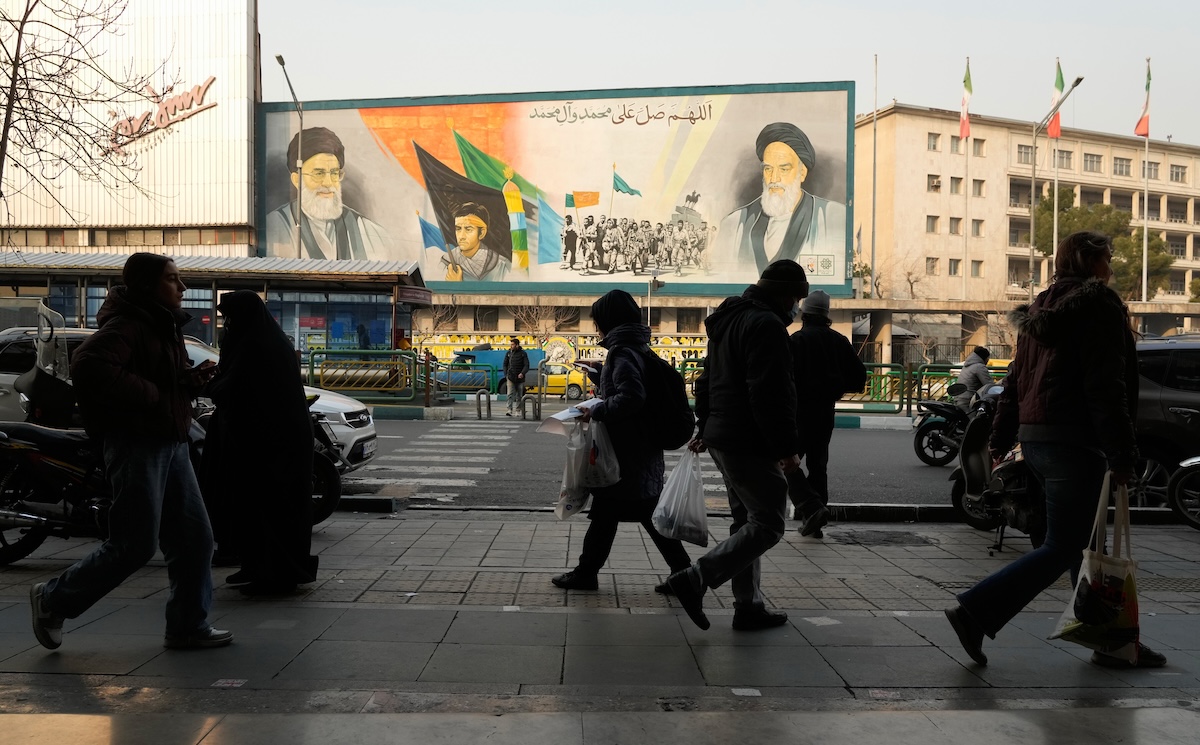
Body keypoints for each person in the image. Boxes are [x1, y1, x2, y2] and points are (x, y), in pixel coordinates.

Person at [944, 231, 1166, 670]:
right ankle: (974, 611)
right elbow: (1106, 387)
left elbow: (1015, 382)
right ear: (1089, 262)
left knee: (1084, 544)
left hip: (1038, 439)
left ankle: (1110, 640)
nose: (1112, 266)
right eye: (1108, 258)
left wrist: (1002, 440)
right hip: (1075, 441)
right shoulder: (1099, 306)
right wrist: (1122, 454)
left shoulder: (1040, 308)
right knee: (1066, 546)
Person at [29, 253, 231, 651]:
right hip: (137, 441)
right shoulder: (129, 324)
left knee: (195, 539)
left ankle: (188, 625)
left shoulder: (159, 323)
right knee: (134, 544)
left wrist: (185, 382)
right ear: (146, 286)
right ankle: (54, 599)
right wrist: (157, 394)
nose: (183, 288)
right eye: (173, 279)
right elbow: (89, 366)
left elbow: (156, 376)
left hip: (169, 440)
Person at [666, 259, 809, 631]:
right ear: (783, 295)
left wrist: (704, 424)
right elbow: (771, 394)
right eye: (795, 298)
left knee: (746, 520)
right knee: (769, 524)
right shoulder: (766, 325)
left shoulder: (728, 321)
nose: (797, 308)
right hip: (749, 439)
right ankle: (695, 579)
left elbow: (706, 379)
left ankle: (748, 605)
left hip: (723, 435)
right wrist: (785, 448)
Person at [551, 290, 692, 591]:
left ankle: (589, 573)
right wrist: (600, 373)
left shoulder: (622, 351)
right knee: (618, 513)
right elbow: (630, 385)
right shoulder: (637, 348)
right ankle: (682, 573)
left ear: (607, 321)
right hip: (639, 449)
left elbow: (631, 397)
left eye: (598, 321)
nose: (596, 327)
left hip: (626, 452)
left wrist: (597, 411)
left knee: (619, 512)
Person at [201, 290, 319, 596]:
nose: (227, 323)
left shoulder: (256, 344)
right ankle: (258, 568)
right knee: (260, 507)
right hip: (269, 440)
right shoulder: (263, 338)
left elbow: (233, 385)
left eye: (230, 317)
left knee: (272, 508)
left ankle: (274, 576)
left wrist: (203, 384)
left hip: (273, 444)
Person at [714, 122, 847, 280]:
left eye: (784, 169)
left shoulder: (833, 217)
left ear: (802, 172)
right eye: (768, 169)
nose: (774, 178)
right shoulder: (734, 224)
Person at [786, 290, 867, 538]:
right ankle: (817, 518)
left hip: (797, 412)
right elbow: (859, 378)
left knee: (786, 463)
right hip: (824, 413)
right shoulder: (839, 341)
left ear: (805, 314)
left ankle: (811, 509)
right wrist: (836, 388)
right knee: (818, 466)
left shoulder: (796, 341)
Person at [264, 127, 391, 260]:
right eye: (319, 174)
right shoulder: (274, 228)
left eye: (334, 173)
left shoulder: (370, 232)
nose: (328, 183)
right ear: (297, 180)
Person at [444, 202, 510, 281]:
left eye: (468, 229)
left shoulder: (502, 265)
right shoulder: (445, 262)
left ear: (482, 233)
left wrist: (457, 286)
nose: (461, 236)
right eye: (458, 229)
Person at [954, 346, 993, 411]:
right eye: (988, 358)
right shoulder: (979, 367)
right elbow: (989, 384)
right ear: (985, 358)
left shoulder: (967, 365)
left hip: (959, 398)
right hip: (968, 400)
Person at [502, 337, 529, 417]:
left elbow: (526, 365)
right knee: (510, 394)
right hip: (510, 377)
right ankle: (509, 410)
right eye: (511, 344)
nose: (511, 346)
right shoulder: (508, 353)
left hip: (520, 378)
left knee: (519, 395)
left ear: (517, 345)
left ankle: (518, 410)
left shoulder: (523, 353)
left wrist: (522, 373)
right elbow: (505, 364)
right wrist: (506, 374)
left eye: (513, 344)